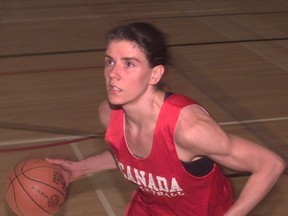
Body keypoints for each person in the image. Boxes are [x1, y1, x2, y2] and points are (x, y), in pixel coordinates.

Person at [46, 22, 286, 215]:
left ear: (155, 74)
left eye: (129, 64)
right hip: (149, 209)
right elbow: (132, 158)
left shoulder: (189, 129)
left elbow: (270, 164)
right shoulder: (109, 114)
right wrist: (80, 168)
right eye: (110, 61)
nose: (113, 74)